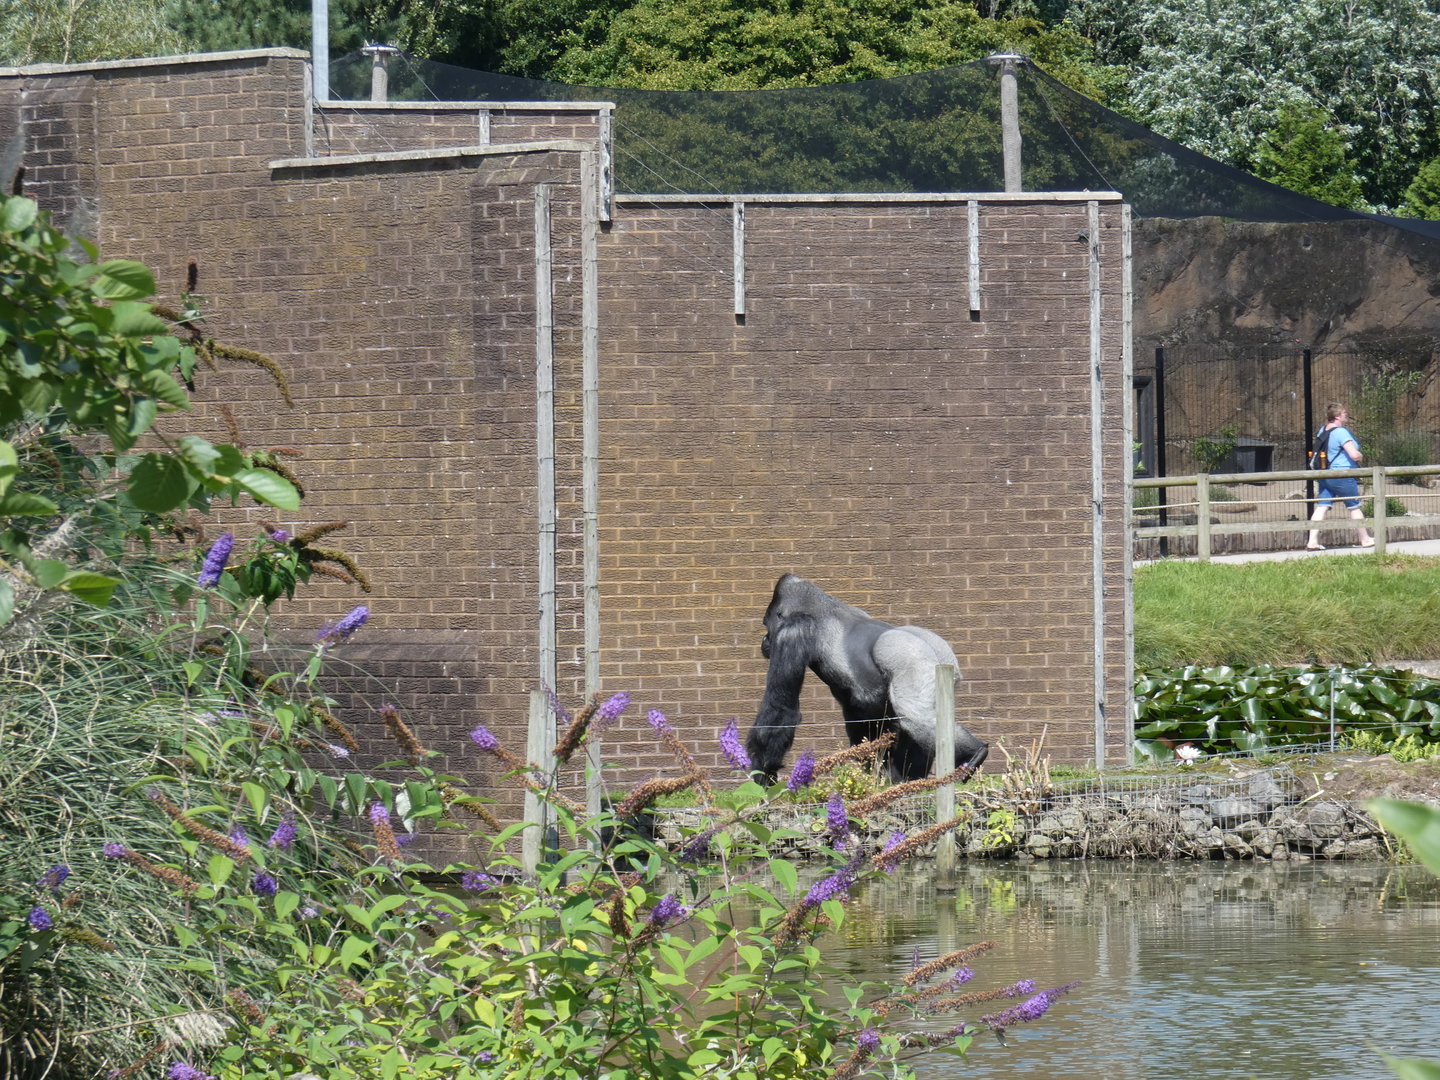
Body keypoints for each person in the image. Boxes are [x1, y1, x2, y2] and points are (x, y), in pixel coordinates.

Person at [1306, 402, 1374, 551]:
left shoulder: (1322, 430)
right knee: (1354, 506)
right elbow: (1354, 454)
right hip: (1342, 474)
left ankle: (1312, 541)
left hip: (1325, 474)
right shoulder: (1341, 432)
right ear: (1337, 416)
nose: (1346, 415)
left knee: (1322, 506)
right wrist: (1360, 456)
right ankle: (1365, 539)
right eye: (1344, 413)